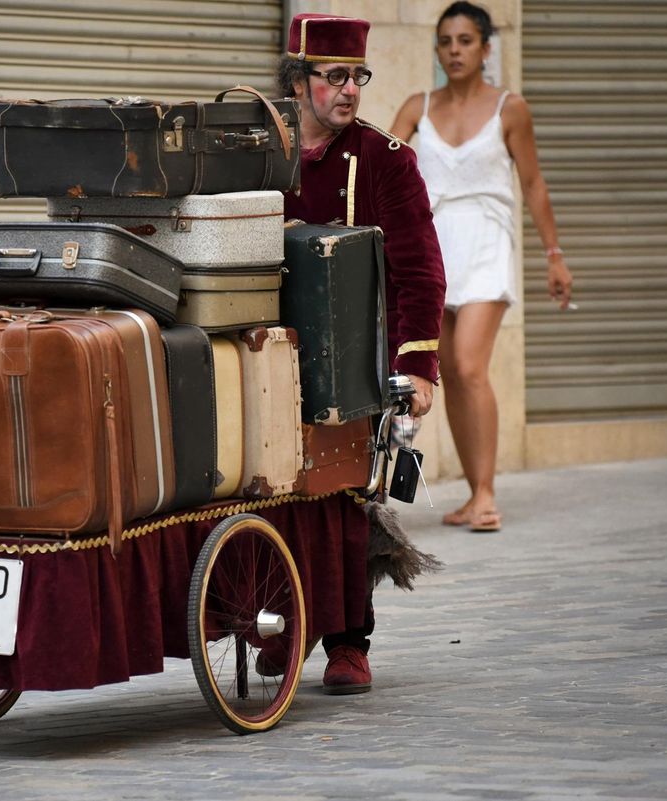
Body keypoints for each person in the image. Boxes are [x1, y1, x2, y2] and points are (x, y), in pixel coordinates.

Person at [268, 13, 447, 694]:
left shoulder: (387, 160)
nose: (350, 90)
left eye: (358, 76)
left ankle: (348, 642)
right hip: (266, 357)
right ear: (299, 79)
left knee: (346, 499)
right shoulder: (257, 148)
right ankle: (285, 623)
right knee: (268, 494)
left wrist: (417, 367)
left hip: (353, 359)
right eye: (334, 76)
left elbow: (420, 271)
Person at [390, 1, 574, 533]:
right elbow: (381, 155)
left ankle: (488, 494)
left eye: (466, 40)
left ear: (486, 47)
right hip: (432, 246)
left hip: (488, 243)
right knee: (445, 370)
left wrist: (554, 256)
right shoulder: (417, 104)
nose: (454, 50)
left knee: (470, 366)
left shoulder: (510, 108)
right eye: (446, 41)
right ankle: (474, 494)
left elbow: (534, 183)